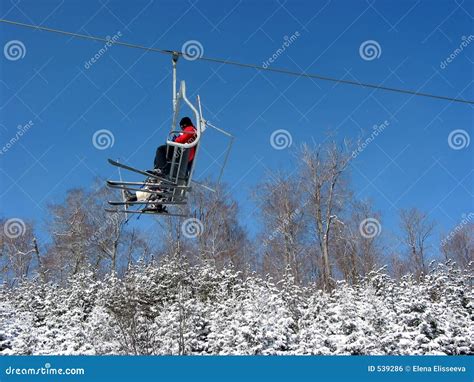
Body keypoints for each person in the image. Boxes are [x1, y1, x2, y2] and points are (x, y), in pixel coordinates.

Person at [125, 117, 197, 213]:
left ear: (184, 125)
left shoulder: (190, 129)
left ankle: (159, 170)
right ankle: (155, 203)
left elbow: (182, 139)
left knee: (160, 150)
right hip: (181, 164)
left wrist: (175, 140)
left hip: (179, 155)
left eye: (182, 127)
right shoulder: (195, 136)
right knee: (158, 187)